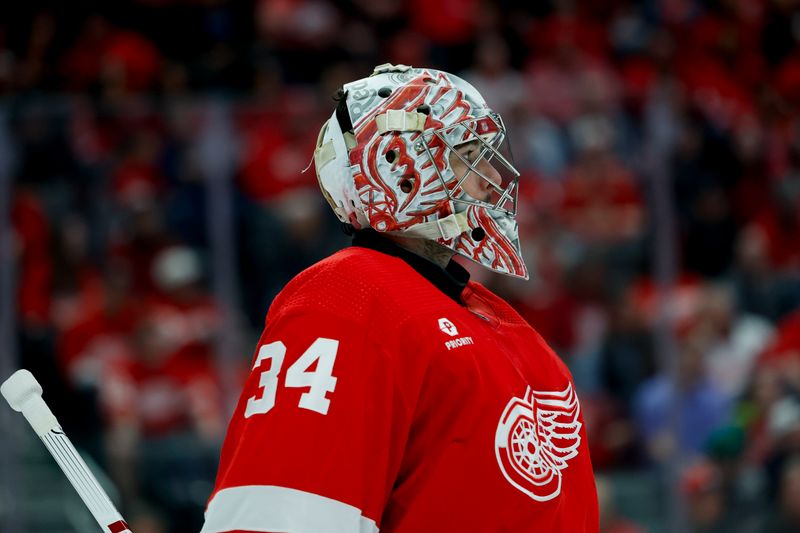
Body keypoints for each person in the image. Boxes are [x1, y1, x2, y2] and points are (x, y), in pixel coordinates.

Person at [201, 64, 598, 532]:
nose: (491, 177)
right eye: (468, 155)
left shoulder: (497, 319)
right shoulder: (345, 299)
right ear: (400, 168)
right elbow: (281, 511)